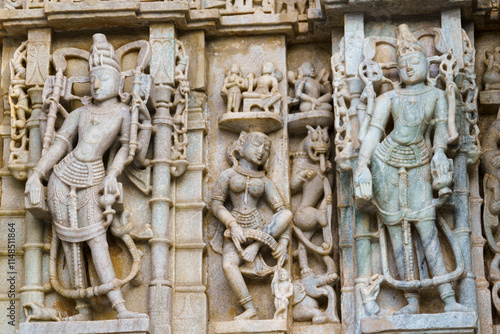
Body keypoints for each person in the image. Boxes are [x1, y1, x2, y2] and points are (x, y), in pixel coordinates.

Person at [25, 34, 147, 321]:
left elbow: (127, 152)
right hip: (62, 176)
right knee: (69, 243)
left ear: (118, 82)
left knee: (96, 240)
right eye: (93, 77)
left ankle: (120, 307)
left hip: (94, 176)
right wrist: (37, 174)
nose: (97, 83)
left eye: (104, 77)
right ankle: (81, 309)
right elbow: (61, 144)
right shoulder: (80, 113)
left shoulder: (122, 112)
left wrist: (113, 173)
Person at [353, 24, 470, 314]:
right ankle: (412, 301)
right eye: (403, 64)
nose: (408, 67)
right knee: (396, 231)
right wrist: (362, 165)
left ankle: (448, 298)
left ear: (427, 65)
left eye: (415, 62)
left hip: (419, 162)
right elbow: (373, 133)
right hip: (385, 162)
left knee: (426, 226)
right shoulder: (388, 99)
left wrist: (441, 152)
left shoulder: (436, 96)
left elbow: (442, 131)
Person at [211, 131, 292, 320]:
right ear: (242, 145)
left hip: (260, 230)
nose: (261, 151)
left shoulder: (264, 181)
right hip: (235, 231)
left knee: (287, 214)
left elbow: (282, 211)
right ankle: (249, 309)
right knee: (228, 265)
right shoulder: (228, 175)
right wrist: (232, 225)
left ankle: (256, 247)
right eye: (256, 144)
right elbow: (216, 204)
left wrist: (284, 243)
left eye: (266, 149)